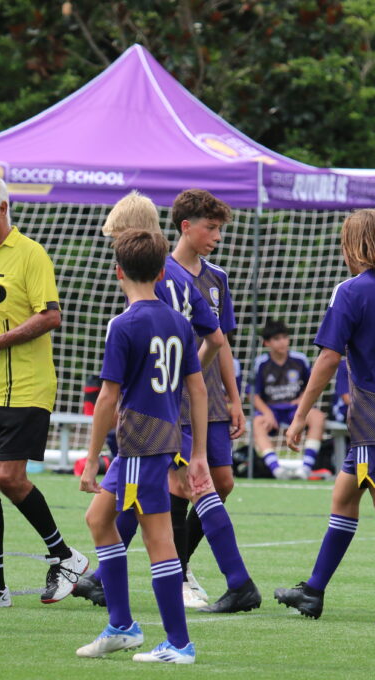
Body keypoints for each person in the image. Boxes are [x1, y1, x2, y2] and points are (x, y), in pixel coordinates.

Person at [73, 190, 257, 615]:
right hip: (176, 399)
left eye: (118, 237)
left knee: (185, 487)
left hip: (154, 408)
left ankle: (227, 580)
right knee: (167, 487)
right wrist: (185, 376)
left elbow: (213, 339)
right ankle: (109, 580)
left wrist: (175, 381)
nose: (115, 247)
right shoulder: (178, 276)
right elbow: (214, 339)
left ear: (134, 235)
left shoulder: (154, 281)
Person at [273, 209, 375, 628]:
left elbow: (329, 358)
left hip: (373, 414)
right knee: (344, 496)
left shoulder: (349, 291)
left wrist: (299, 417)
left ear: (355, 245)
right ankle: (313, 591)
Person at [0, 171, 87, 607]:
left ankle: (66, 555)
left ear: (3, 209)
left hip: (26, 388)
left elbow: (50, 316)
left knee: (9, 478)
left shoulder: (31, 254)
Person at [77, 229, 210, 664]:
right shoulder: (178, 321)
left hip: (139, 443)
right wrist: (199, 453)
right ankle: (121, 626)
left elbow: (107, 398)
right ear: (159, 272)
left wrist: (92, 460)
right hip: (159, 440)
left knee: (158, 539)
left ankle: (178, 643)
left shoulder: (123, 324)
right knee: (99, 518)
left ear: (118, 272)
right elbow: (198, 391)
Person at [163, 189, 259, 612]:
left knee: (222, 483)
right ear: (186, 226)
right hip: (174, 398)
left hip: (213, 399)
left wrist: (236, 400)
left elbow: (222, 344)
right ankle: (178, 571)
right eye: (211, 228)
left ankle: (104, 577)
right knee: (182, 487)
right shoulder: (159, 272)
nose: (217, 236)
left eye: (220, 228)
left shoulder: (216, 278)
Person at [250, 319, 325, 479]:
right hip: (272, 411)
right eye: (277, 339)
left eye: (284, 337)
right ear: (266, 343)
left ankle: (305, 468)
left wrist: (302, 399)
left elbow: (312, 385)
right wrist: (267, 413)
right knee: (257, 423)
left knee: (318, 417)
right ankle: (276, 469)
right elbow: (253, 395)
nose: (282, 342)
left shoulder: (300, 360)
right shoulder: (261, 364)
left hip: (294, 410)